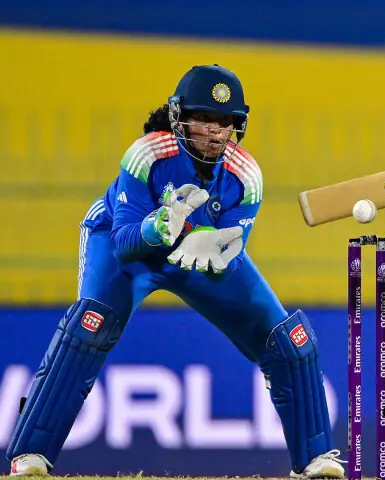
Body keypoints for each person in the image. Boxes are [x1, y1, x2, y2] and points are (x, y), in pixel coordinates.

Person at [7, 64, 345, 479]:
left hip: (194, 257)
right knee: (89, 327)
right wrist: (157, 227)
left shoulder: (246, 176)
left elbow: (231, 251)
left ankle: (314, 460)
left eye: (225, 122)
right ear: (178, 117)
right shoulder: (147, 154)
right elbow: (123, 242)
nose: (216, 133)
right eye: (204, 119)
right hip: (124, 247)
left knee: (289, 340)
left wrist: (218, 247)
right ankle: (30, 457)